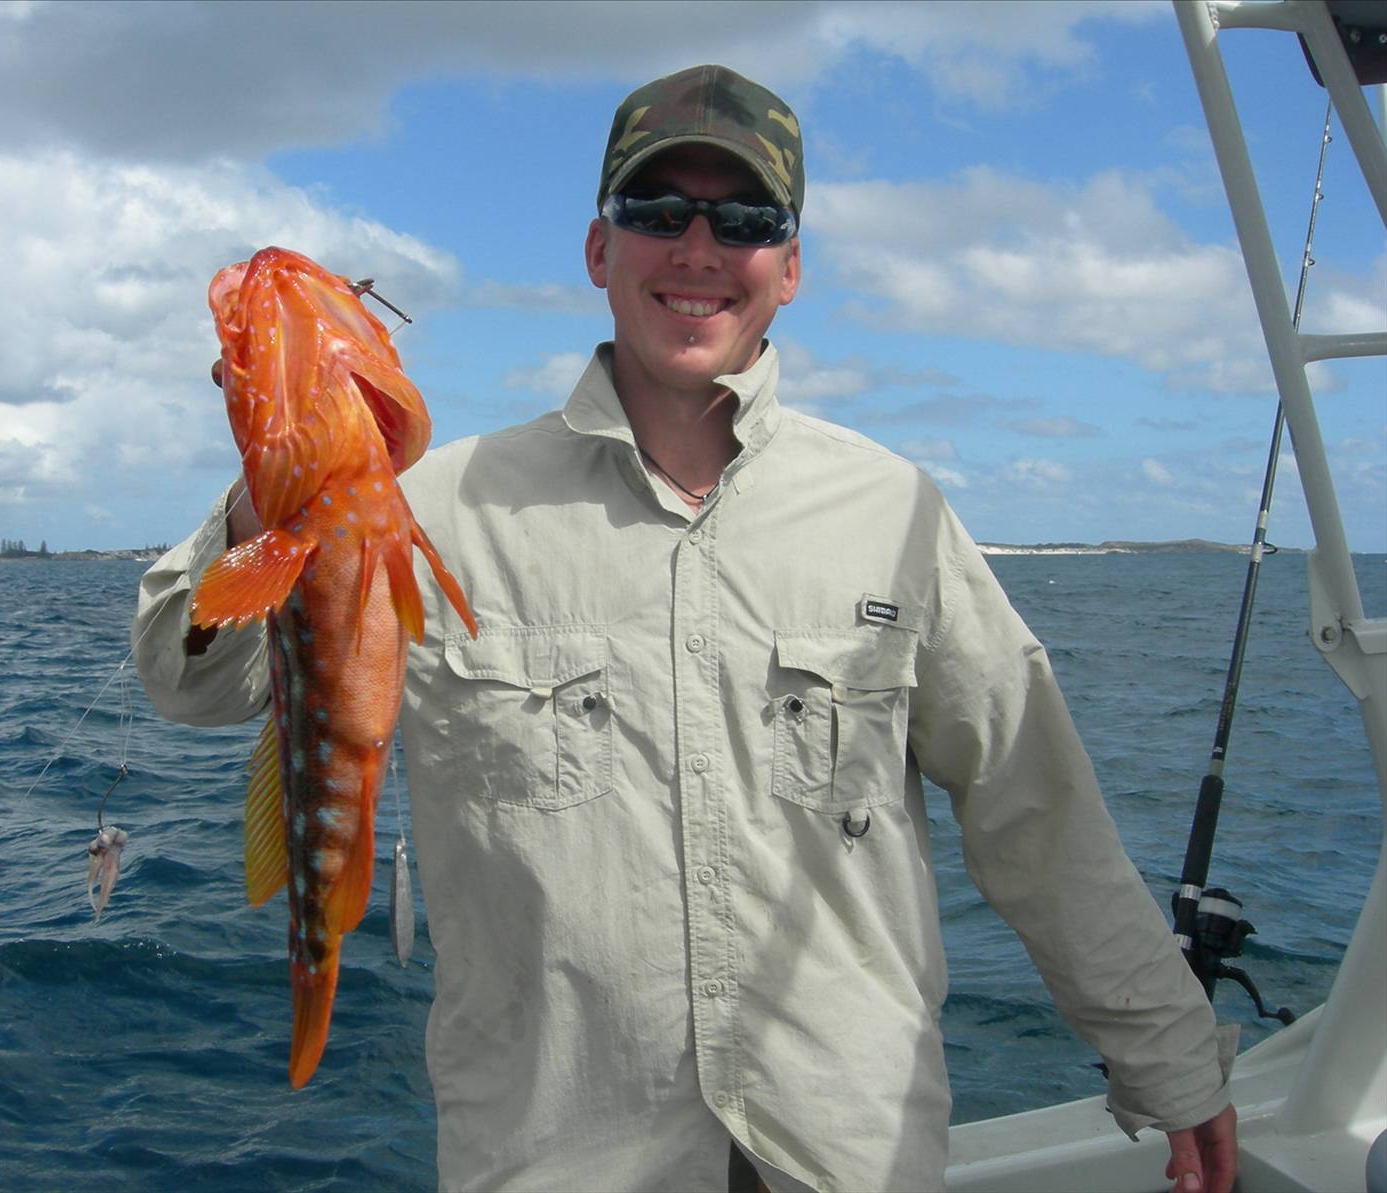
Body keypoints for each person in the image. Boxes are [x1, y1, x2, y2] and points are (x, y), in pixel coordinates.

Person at [135, 65, 1237, 1193]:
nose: (698, 249)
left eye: (745, 220)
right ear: (597, 251)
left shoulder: (895, 511)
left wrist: (1167, 1055)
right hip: (555, 1156)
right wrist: (278, 472)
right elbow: (192, 681)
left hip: (842, 1155)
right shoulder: (436, 509)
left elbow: (1034, 805)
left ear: (790, 266)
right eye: (657, 212)